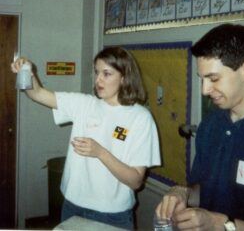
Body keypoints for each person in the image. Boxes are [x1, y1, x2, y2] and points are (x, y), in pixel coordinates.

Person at [155, 24, 244, 231]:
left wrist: (221, 224)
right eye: (202, 79)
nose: (205, 90)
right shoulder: (211, 125)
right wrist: (183, 193)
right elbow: (202, 190)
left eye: (213, 79)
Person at [11, 46, 161, 230]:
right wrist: (28, 71)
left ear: (124, 77)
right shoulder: (85, 104)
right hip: (72, 205)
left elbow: (136, 180)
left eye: (106, 74)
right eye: (97, 72)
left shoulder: (140, 118)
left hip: (112, 214)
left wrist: (100, 152)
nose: (98, 79)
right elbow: (38, 94)